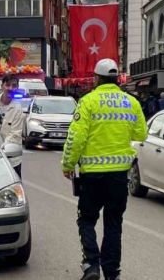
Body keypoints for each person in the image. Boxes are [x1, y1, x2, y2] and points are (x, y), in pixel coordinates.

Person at [61, 59, 147, 280]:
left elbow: (76, 137)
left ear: (97, 78)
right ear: (117, 78)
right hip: (119, 175)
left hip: (92, 175)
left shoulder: (87, 101)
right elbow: (141, 134)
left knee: (87, 219)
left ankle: (91, 265)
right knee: (114, 223)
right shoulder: (132, 103)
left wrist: (68, 164)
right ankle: (112, 272)